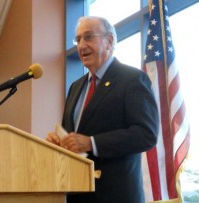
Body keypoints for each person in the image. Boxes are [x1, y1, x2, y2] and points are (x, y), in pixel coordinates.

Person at [46, 16, 159, 203]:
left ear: (109, 41)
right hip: (77, 193)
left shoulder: (132, 79)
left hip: (116, 195)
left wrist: (92, 143)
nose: (81, 46)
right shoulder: (76, 87)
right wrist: (60, 144)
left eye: (88, 37)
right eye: (78, 39)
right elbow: (74, 137)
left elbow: (146, 134)